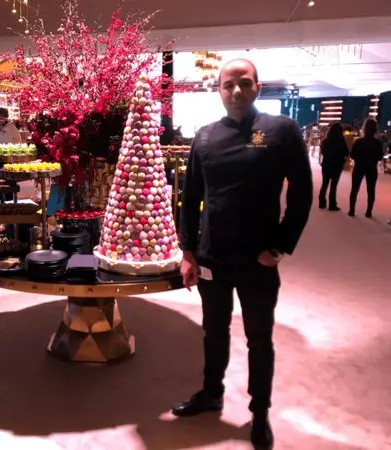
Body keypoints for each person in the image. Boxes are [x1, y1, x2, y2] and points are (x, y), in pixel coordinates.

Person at [174, 59, 313, 450]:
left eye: (245, 83)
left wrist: (279, 246)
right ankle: (211, 393)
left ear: (257, 87)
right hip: (212, 258)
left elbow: (302, 193)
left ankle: (260, 411)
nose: (236, 91)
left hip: (258, 260)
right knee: (213, 332)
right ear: (218, 90)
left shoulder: (281, 130)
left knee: (259, 340)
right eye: (228, 84)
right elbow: (190, 198)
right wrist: (188, 251)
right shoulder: (205, 137)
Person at [348, 118, 384, 218]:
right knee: (371, 190)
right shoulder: (377, 143)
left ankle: (352, 210)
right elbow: (380, 157)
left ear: (364, 128)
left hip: (359, 167)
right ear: (375, 129)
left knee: (354, 189)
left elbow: (352, 155)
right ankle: (368, 211)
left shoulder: (358, 142)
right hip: (372, 168)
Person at [318, 122, 349, 211]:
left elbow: (323, 152)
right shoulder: (341, 141)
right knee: (333, 185)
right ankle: (332, 204)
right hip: (337, 165)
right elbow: (346, 153)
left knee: (324, 184)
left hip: (326, 165)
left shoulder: (325, 141)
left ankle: (322, 202)